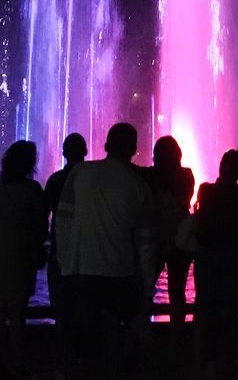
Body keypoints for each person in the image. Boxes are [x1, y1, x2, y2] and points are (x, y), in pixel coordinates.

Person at [55, 122, 155, 379]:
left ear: (106, 145)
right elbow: (144, 241)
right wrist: (147, 282)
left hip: (80, 269)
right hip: (118, 269)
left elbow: (62, 220)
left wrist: (65, 260)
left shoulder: (80, 172)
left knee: (81, 331)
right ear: (134, 150)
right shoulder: (138, 186)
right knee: (112, 330)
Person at [193, 148, 238, 375]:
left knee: (204, 305)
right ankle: (227, 359)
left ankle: (200, 358)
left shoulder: (205, 190)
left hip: (207, 254)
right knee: (229, 307)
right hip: (231, 256)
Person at [0, 140, 47, 379]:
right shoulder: (32, 189)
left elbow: (0, 214)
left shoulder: (2, 187)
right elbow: (41, 221)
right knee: (18, 309)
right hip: (22, 251)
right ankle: (18, 362)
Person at [143, 135, 195, 334]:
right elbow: (185, 199)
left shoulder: (152, 176)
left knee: (146, 289)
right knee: (177, 291)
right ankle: (177, 336)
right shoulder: (186, 175)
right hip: (179, 241)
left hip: (155, 238)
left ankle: (143, 335)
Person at [43, 132, 87, 366]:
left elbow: (43, 214)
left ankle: (62, 359)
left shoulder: (55, 180)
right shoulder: (92, 180)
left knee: (60, 307)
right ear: (86, 153)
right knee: (84, 303)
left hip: (59, 252)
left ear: (63, 153)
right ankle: (82, 356)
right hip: (88, 251)